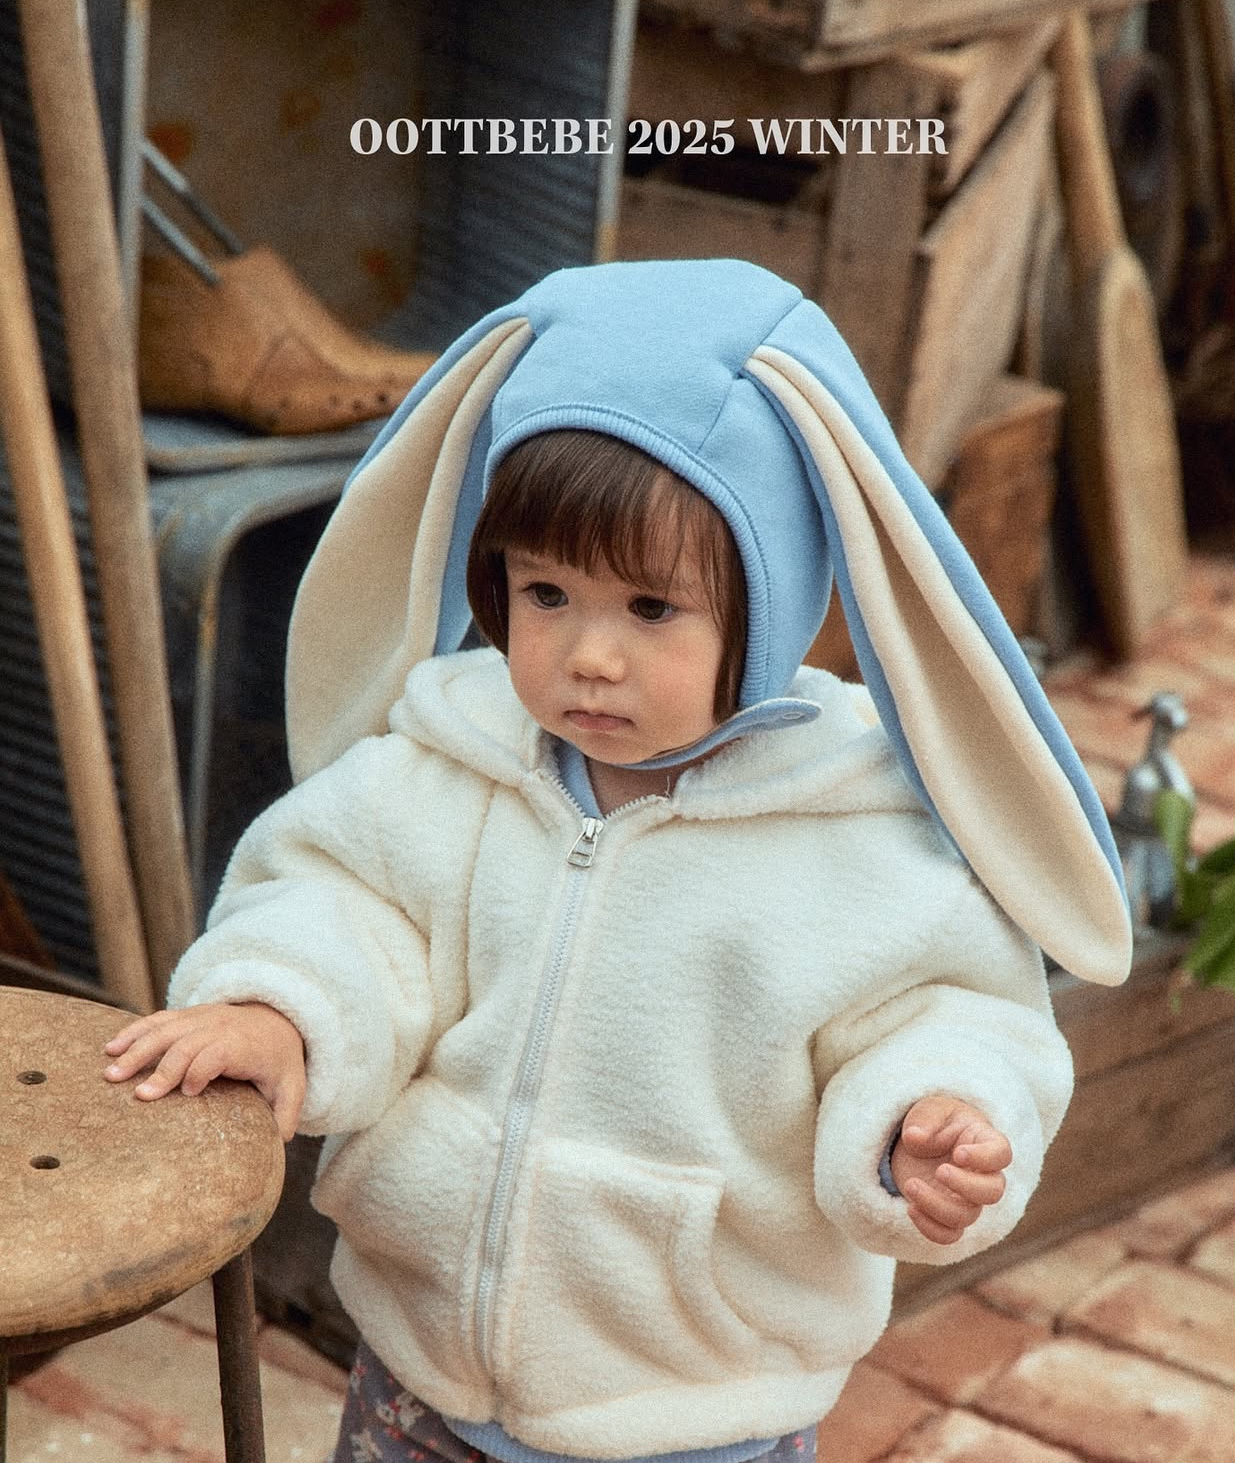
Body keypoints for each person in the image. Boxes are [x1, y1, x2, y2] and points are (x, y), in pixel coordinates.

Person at [104, 260, 1132, 1463]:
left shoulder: (855, 837)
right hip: (417, 1376)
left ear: (768, 597)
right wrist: (283, 1010)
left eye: (651, 609)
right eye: (546, 592)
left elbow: (948, 1013)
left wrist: (930, 1117)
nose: (589, 655)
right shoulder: (450, 763)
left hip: (696, 1409)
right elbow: (350, 908)